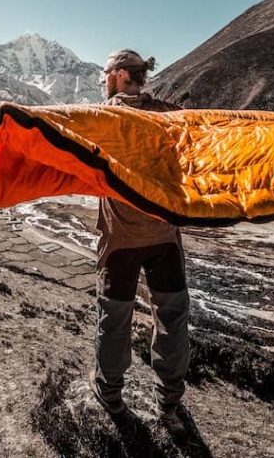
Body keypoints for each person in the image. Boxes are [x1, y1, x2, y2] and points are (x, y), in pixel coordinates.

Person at [90, 49, 191, 431]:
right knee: (172, 317)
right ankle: (168, 404)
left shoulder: (101, 119)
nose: (103, 81)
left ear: (117, 76)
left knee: (115, 319)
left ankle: (111, 396)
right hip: (165, 238)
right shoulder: (168, 115)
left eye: (105, 75)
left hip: (120, 242)